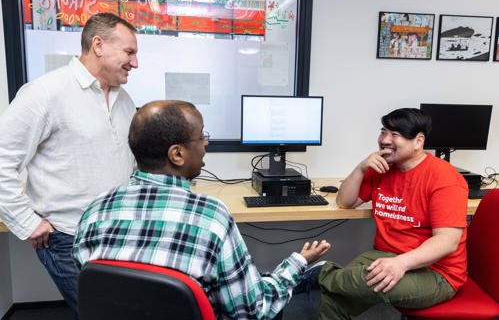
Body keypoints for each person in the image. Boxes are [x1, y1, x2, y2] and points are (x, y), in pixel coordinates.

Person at [72, 100, 331, 319]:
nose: (206, 143)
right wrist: (297, 264)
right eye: (202, 136)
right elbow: (253, 311)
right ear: (177, 154)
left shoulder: (95, 211)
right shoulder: (211, 216)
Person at [0, 12, 139, 316]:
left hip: (115, 235)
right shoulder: (45, 93)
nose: (135, 62)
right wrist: (26, 221)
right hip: (67, 238)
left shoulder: (124, 99)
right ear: (98, 45)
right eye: (129, 52)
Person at [317, 108, 468, 319]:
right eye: (383, 132)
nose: (385, 140)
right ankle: (322, 277)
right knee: (334, 297)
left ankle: (316, 276)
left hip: (437, 272)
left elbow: (447, 241)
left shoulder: (444, 178)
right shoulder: (383, 167)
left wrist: (401, 263)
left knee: (360, 281)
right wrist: (361, 168)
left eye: (395, 135)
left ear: (418, 141)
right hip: (384, 254)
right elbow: (345, 202)